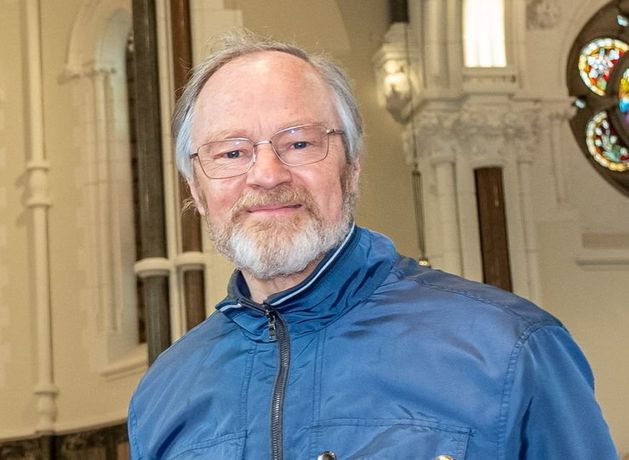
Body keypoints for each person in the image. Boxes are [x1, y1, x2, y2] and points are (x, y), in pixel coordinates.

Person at [127, 30, 618, 459]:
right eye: (232, 153)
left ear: (352, 168)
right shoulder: (164, 393)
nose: (268, 175)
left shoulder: (511, 348)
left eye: (299, 143)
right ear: (197, 190)